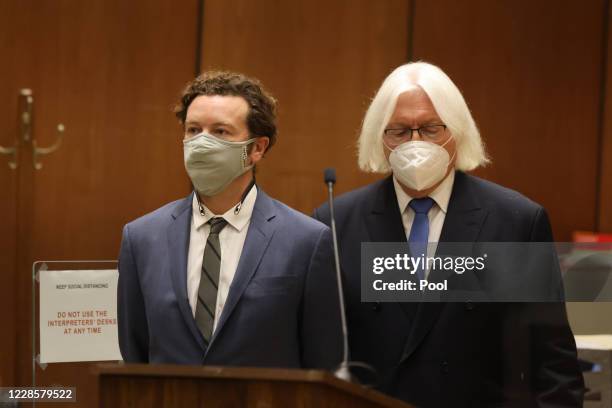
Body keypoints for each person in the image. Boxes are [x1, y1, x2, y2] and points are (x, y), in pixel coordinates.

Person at [314, 62, 584, 407]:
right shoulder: (337, 221)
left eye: (429, 129)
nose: (414, 144)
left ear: (456, 130)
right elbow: (320, 354)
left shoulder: (514, 222)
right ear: (378, 139)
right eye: (398, 131)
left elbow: (552, 363)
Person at [118, 71, 342, 370]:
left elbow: (321, 363)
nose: (202, 143)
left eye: (220, 132)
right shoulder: (141, 238)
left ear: (257, 148)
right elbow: (136, 354)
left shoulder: (307, 241)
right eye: (194, 130)